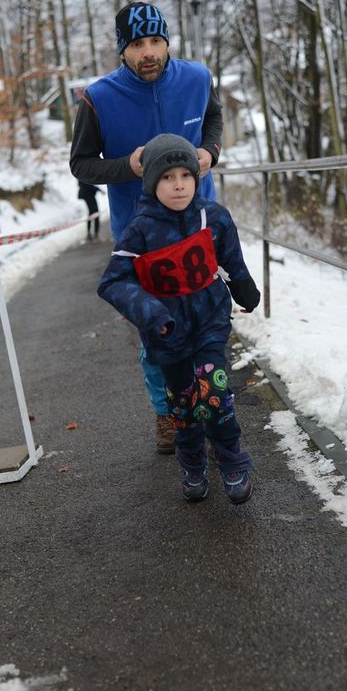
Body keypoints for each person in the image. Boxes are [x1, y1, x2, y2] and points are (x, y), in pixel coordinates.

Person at [69, 1, 223, 456]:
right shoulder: (99, 98)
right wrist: (127, 166)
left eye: (156, 41)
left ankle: (208, 406)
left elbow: (213, 119)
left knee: (207, 323)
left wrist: (210, 151)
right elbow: (81, 164)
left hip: (198, 225)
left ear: (167, 41)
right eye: (137, 44)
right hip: (142, 237)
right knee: (158, 328)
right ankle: (168, 414)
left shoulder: (197, 78)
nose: (149, 52)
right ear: (122, 49)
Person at [97, 134, 260, 504]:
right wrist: (152, 313)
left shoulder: (214, 217)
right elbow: (112, 282)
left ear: (196, 177)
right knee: (184, 404)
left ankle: (231, 458)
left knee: (213, 391)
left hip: (209, 321)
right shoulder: (140, 231)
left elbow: (231, 257)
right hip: (166, 333)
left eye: (186, 175)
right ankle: (192, 462)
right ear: (152, 182)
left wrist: (244, 289)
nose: (179, 185)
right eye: (168, 177)